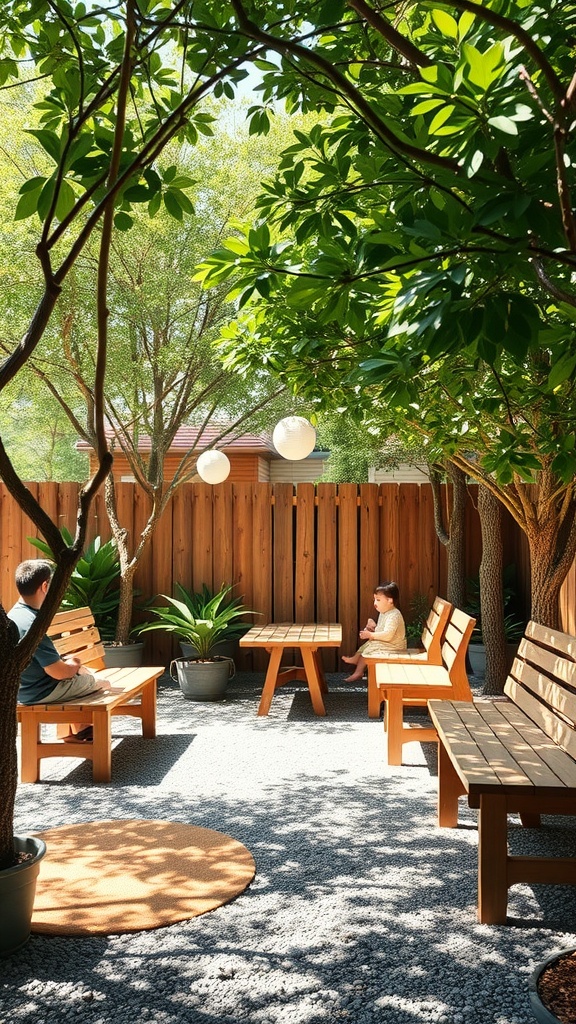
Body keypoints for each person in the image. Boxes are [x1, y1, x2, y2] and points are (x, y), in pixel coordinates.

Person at [8, 559, 109, 742]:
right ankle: (83, 733)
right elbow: (59, 673)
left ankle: (80, 729)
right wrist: (75, 662)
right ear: (45, 586)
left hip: (21, 690)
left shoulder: (13, 616)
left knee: (83, 675)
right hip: (42, 692)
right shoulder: (34, 625)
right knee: (104, 683)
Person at [342, 581, 407, 682]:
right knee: (368, 644)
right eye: (375, 600)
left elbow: (388, 635)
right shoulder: (384, 612)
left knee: (372, 647)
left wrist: (371, 634)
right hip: (388, 643)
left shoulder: (394, 615)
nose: (375, 603)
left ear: (390, 600)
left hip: (395, 646)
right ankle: (356, 659)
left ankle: (358, 672)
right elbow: (382, 630)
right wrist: (372, 628)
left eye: (378, 600)